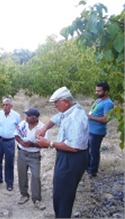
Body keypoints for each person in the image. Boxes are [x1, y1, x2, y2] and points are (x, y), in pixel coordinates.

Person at [35, 86, 89, 218]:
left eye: (56, 103)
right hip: (67, 155)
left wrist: (49, 143)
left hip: (72, 157)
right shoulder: (70, 110)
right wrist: (44, 128)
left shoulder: (75, 117)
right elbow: (56, 118)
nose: (54, 106)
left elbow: (73, 147)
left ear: (65, 101)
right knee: (60, 190)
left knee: (64, 193)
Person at [15, 108, 48, 210]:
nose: (26, 117)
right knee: (22, 175)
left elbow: (46, 145)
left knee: (36, 176)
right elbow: (16, 135)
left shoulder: (42, 128)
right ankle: (24, 195)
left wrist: (32, 144)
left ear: (35, 118)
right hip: (22, 153)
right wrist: (21, 142)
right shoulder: (23, 124)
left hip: (34, 155)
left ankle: (37, 199)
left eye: (28, 116)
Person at [0, 97, 21, 191]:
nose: (5, 107)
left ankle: (9, 182)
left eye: (7, 105)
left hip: (9, 141)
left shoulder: (16, 116)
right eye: (3, 105)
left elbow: (19, 127)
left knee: (9, 162)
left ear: (11, 106)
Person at [87, 82, 114, 177]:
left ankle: (92, 171)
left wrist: (91, 117)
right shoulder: (98, 100)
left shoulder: (108, 103)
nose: (96, 92)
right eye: (96, 90)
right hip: (90, 129)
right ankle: (88, 167)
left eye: (99, 91)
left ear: (106, 91)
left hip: (97, 131)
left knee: (94, 151)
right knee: (88, 150)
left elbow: (105, 119)